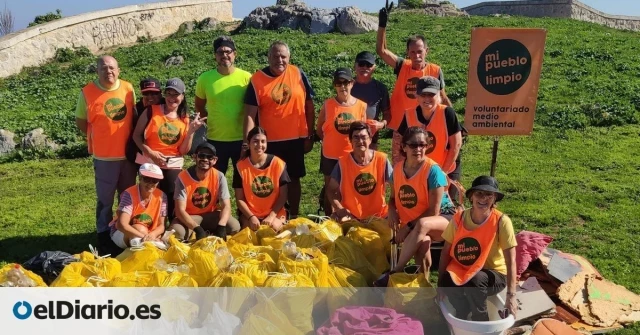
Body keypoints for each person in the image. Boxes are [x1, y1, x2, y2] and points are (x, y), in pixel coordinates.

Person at [374, 127, 456, 287]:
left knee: (423, 225)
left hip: (444, 219)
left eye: (422, 145)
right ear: (404, 147)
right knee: (423, 242)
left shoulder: (433, 171)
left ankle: (395, 271)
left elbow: (434, 211)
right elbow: (392, 198)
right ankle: (424, 286)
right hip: (417, 226)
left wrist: (408, 227)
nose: (418, 149)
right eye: (413, 145)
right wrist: (391, 210)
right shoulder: (397, 169)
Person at [243, 40, 315, 219]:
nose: (279, 60)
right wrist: (248, 143)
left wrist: (310, 134)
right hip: (269, 141)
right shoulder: (257, 79)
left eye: (283, 56)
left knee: (294, 179)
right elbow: (250, 115)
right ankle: (274, 214)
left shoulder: (297, 73)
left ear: (289, 57)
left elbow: (309, 106)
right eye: (275, 56)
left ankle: (295, 215)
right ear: (268, 57)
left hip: (296, 138)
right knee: (272, 180)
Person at [75, 55, 137, 254]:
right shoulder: (87, 92)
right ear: (97, 71)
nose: (108, 71)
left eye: (112, 68)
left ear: (118, 70)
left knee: (127, 198)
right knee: (105, 200)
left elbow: (133, 117)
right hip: (104, 158)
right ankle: (103, 235)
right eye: (104, 68)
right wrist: (98, 136)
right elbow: (81, 122)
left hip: (127, 156)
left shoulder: (128, 89)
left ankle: (122, 232)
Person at [376, 1, 452, 165]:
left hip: (427, 125)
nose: (416, 55)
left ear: (426, 51)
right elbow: (381, 51)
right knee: (399, 165)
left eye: (419, 51)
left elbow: (443, 98)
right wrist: (382, 25)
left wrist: (454, 121)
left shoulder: (435, 70)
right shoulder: (403, 66)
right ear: (408, 53)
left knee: (425, 165)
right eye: (412, 52)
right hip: (402, 126)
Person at [438, 176, 518, 321]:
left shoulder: (502, 221)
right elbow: (445, 253)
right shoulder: (459, 218)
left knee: (475, 280)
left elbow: (511, 260)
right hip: (464, 269)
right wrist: (440, 285)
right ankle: (462, 310)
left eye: (489, 195)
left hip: (494, 275)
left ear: (494, 199)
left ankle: (480, 320)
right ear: (471, 196)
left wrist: (511, 296)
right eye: (479, 193)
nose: (483, 198)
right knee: (446, 280)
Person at [132, 78, 206, 220]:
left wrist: (191, 131)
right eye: (169, 94)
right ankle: (149, 225)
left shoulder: (184, 118)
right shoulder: (151, 111)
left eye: (176, 94)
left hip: (173, 162)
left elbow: (183, 151)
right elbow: (136, 136)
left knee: (173, 194)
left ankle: (173, 226)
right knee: (149, 194)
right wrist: (151, 153)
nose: (172, 98)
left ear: (182, 96)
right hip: (150, 159)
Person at [195, 36, 252, 176]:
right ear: (215, 55)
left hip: (241, 139)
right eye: (220, 52)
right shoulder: (205, 78)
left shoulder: (247, 78)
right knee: (214, 180)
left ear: (235, 54)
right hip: (215, 139)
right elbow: (199, 106)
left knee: (244, 179)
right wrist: (210, 122)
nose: (224, 55)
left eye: (228, 51)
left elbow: (253, 108)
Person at [316, 67, 367, 216]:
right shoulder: (327, 105)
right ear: (334, 85)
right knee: (330, 190)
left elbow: (363, 131)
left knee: (351, 188)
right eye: (339, 83)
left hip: (351, 155)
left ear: (352, 83)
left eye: (346, 82)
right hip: (331, 155)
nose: (343, 86)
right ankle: (329, 219)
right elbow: (320, 130)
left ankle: (353, 217)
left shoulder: (361, 106)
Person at [396, 76, 463, 186]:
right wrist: (401, 171)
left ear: (439, 96)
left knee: (447, 202)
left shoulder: (447, 113)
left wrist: (442, 173)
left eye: (431, 94)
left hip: (445, 169)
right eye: (423, 95)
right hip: (417, 172)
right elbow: (399, 145)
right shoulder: (409, 115)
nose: (427, 99)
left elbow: (456, 144)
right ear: (416, 96)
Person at [169, 142, 241, 241]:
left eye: (209, 157)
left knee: (235, 227)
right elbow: (179, 211)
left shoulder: (219, 176)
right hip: (190, 217)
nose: (205, 159)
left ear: (215, 160)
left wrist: (221, 226)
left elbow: (226, 205)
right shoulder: (182, 177)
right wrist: (197, 229)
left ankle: (209, 232)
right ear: (194, 157)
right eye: (201, 155)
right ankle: (200, 232)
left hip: (211, 215)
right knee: (177, 232)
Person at [326, 121, 392, 222]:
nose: (360, 141)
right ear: (350, 141)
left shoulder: (382, 159)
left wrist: (393, 210)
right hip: (351, 217)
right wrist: (339, 209)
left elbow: (396, 186)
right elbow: (331, 190)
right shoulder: (343, 162)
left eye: (363, 137)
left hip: (379, 216)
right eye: (356, 137)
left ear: (370, 139)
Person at [234, 127, 290, 232]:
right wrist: (251, 217)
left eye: (263, 141)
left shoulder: (278, 163)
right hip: (250, 213)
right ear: (249, 143)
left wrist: (271, 216)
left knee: (272, 231)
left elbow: (283, 196)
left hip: (275, 212)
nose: (260, 145)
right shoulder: (240, 166)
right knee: (249, 234)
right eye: (255, 141)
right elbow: (239, 199)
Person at [110, 163, 168, 249]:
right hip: (123, 232)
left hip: (149, 233)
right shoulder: (129, 194)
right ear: (140, 178)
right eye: (147, 179)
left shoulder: (162, 196)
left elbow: (161, 226)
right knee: (140, 230)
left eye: (155, 180)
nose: (150, 183)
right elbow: (122, 225)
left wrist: (153, 235)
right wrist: (146, 237)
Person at [350, 51, 391, 150]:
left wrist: (381, 124)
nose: (365, 68)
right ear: (355, 66)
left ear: (374, 67)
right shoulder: (347, 85)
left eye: (368, 65)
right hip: (349, 138)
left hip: (371, 139)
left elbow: (388, 113)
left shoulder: (380, 88)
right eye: (361, 64)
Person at [126, 77, 164, 164]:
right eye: (146, 93)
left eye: (154, 93)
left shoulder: (166, 106)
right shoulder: (136, 109)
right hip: (139, 152)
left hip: (163, 151)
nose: (150, 97)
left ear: (160, 93)